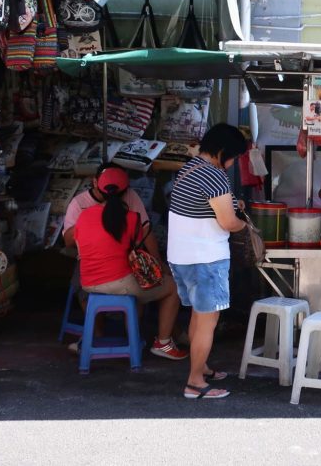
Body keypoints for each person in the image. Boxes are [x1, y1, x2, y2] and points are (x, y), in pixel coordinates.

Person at [168, 123, 249, 400]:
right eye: (234, 157)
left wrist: (232, 205)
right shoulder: (215, 176)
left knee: (199, 315)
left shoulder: (188, 169)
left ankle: (200, 368)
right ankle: (194, 383)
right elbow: (227, 222)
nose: (233, 163)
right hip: (205, 259)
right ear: (223, 151)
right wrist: (245, 225)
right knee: (207, 321)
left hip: (182, 257)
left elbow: (202, 205)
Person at [73, 167, 187, 361]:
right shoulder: (132, 219)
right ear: (127, 192)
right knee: (173, 287)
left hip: (89, 282)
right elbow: (138, 249)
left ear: (98, 190)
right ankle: (163, 342)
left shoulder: (84, 215)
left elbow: (80, 247)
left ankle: (137, 338)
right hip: (119, 282)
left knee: (137, 291)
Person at [62, 163, 161, 353]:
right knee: (84, 288)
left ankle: (128, 336)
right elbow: (68, 241)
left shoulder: (127, 200)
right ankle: (101, 334)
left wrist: (156, 261)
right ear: (94, 182)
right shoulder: (80, 204)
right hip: (91, 262)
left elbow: (145, 231)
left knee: (135, 287)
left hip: (113, 267)